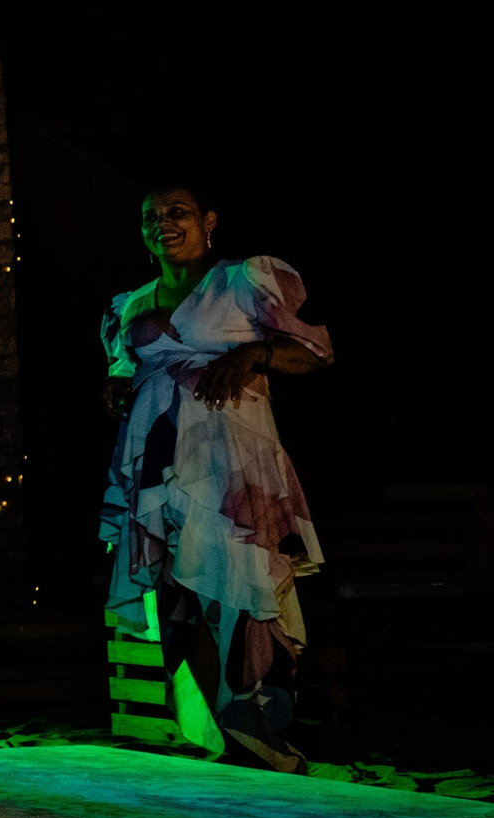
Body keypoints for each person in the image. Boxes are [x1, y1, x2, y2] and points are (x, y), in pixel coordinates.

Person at [100, 184, 329, 772]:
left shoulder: (241, 283)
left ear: (208, 222)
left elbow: (314, 352)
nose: (163, 224)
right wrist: (117, 390)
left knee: (244, 590)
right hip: (160, 472)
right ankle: (215, 736)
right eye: (151, 216)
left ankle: (265, 735)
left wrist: (254, 356)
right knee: (177, 598)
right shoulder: (130, 304)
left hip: (233, 471)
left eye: (177, 213)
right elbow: (126, 373)